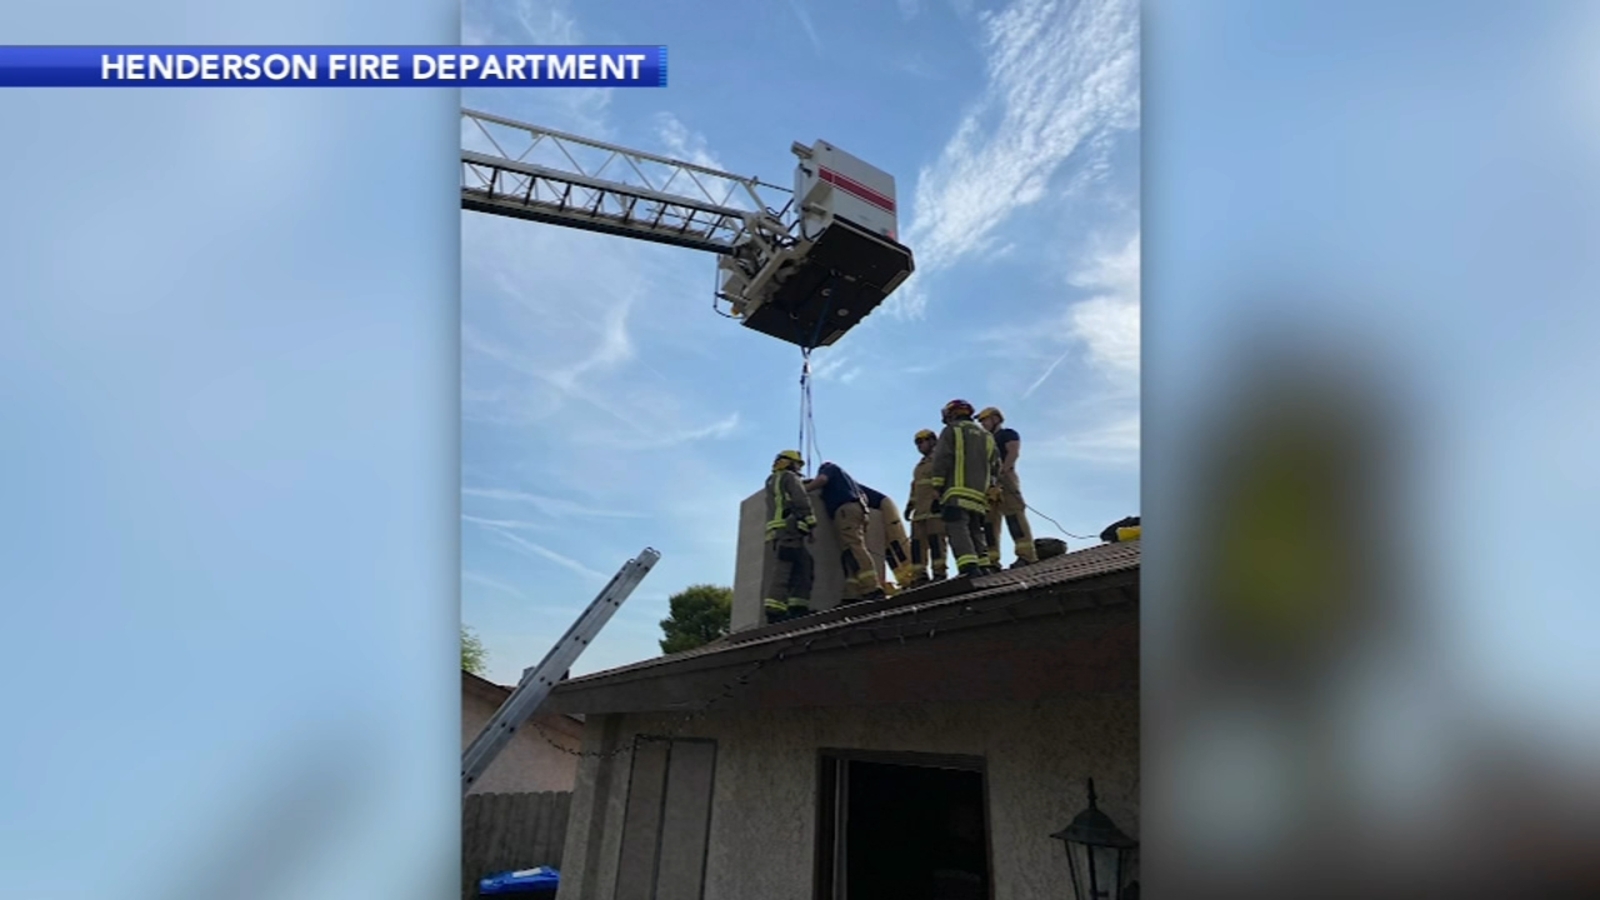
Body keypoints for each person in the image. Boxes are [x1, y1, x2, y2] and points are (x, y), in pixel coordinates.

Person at [929, 399, 999, 577]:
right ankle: (984, 565)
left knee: (957, 528)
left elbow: (942, 459)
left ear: (952, 414)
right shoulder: (987, 436)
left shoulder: (952, 430)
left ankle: (968, 567)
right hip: (979, 495)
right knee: (976, 529)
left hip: (956, 492)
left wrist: (937, 487)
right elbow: (995, 465)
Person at [805, 461, 887, 603]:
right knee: (848, 553)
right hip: (858, 511)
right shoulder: (850, 483)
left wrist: (803, 489)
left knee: (854, 548)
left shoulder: (829, 468)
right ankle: (851, 593)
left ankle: (872, 588)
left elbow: (822, 480)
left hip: (844, 511)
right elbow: (865, 498)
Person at [977, 406, 1039, 568]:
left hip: (1005, 479)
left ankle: (1026, 555)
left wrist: (1003, 471)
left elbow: (1013, 452)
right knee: (989, 522)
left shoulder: (1007, 434)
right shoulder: (983, 442)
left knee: (1014, 516)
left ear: (996, 419)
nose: (982, 424)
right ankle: (992, 560)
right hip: (988, 485)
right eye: (981, 421)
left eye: (985, 420)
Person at [761, 449, 817, 624]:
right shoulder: (790, 478)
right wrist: (811, 522)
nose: (798, 467)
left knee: (803, 565)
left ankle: (797, 607)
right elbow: (801, 499)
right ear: (789, 463)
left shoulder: (771, 481)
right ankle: (775, 611)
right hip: (790, 531)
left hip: (779, 533)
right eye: (797, 463)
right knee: (785, 570)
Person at [905, 428, 951, 585]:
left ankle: (939, 573)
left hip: (934, 510)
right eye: (917, 443)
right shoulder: (919, 466)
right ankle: (920, 576)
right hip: (919, 513)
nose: (919, 446)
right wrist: (909, 506)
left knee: (936, 542)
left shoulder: (940, 460)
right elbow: (915, 487)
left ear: (932, 441)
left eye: (922, 441)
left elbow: (946, 481)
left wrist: (940, 500)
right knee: (917, 546)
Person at [858, 484, 916, 592]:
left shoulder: (847, 487)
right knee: (888, 552)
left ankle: (913, 576)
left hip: (884, 507)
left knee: (897, 544)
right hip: (878, 510)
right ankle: (904, 581)